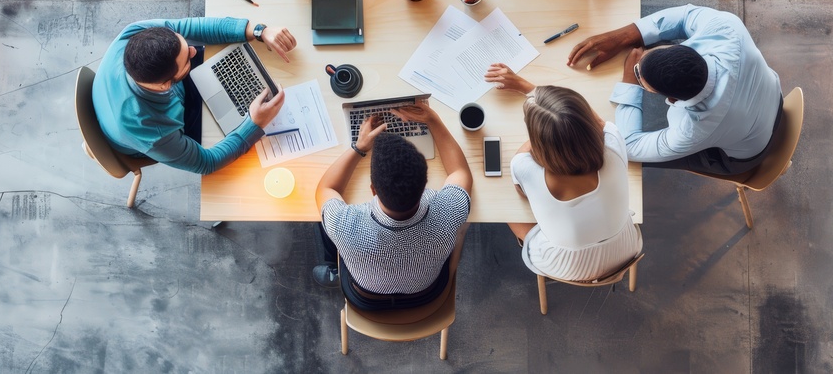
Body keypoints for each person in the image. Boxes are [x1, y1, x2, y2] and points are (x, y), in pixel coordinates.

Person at [567, 4, 783, 175]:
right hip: (774, 96)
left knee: (622, 159)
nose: (638, 61)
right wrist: (625, 35)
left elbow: (630, 146)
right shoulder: (726, 28)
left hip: (749, 153)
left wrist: (629, 81)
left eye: (641, 78)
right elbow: (685, 16)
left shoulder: (693, 130)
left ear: (671, 98)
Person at [485, 66, 642, 281]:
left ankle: (532, 243)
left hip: (569, 267)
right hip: (625, 248)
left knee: (506, 210)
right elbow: (592, 120)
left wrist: (532, 100)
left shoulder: (523, 166)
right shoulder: (613, 143)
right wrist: (530, 90)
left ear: (539, 141)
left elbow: (521, 192)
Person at [313, 103, 472, 310]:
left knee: (320, 219)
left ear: (372, 189)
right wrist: (433, 120)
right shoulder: (449, 212)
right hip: (427, 294)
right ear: (425, 185)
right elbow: (460, 172)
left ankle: (332, 267)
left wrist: (359, 147)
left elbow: (325, 188)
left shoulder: (344, 224)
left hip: (366, 298)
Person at [91, 17, 296, 174]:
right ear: (165, 86)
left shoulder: (133, 34)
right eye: (186, 59)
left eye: (183, 44)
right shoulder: (155, 133)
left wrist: (259, 31)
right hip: (152, 132)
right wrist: (254, 123)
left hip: (141, 104)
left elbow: (190, 27)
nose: (193, 51)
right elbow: (207, 162)